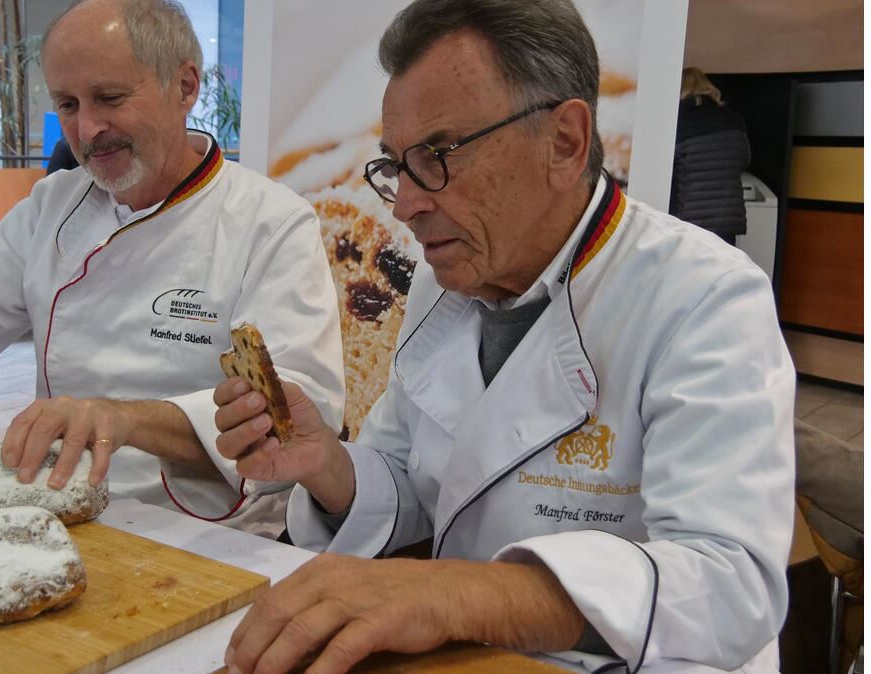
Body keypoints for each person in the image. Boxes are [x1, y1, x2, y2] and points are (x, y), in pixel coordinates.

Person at [213, 0, 795, 671]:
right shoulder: (446, 283)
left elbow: (728, 587)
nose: (403, 204)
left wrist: (453, 595)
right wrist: (325, 464)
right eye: (395, 165)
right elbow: (416, 486)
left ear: (566, 142)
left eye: (435, 157)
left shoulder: (703, 297)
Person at [0, 0, 345, 537]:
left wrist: (123, 419)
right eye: (67, 104)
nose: (85, 130)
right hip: (62, 508)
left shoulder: (270, 222)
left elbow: (294, 411)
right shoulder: (55, 206)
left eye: (109, 98)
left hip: (211, 536)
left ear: (185, 87)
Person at [669, 67, 751, 246]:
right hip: (727, 219)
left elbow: (669, 170)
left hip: (690, 221)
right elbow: (745, 160)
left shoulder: (678, 122)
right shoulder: (734, 119)